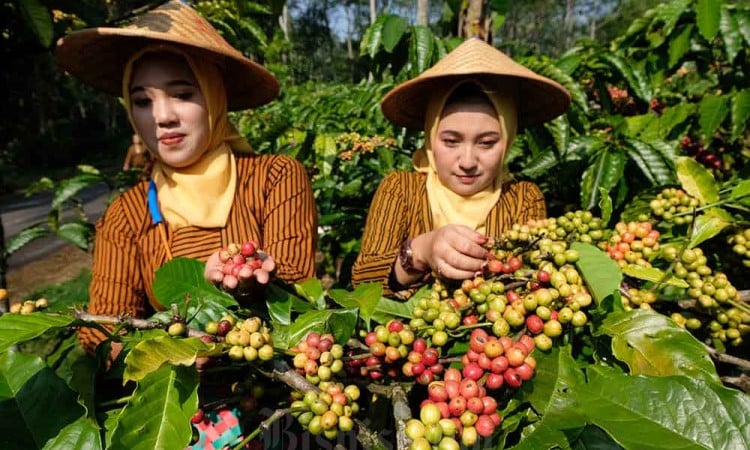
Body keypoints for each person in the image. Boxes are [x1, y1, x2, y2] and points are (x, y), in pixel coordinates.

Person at [54, 0, 317, 354]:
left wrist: (244, 286)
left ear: (214, 97)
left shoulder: (274, 179)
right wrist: (173, 355)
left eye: (182, 95)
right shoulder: (127, 216)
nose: (162, 117)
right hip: (178, 402)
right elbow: (101, 333)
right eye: (142, 101)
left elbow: (300, 294)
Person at [351, 38, 571, 297]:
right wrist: (421, 250)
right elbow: (363, 280)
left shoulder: (523, 198)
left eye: (487, 143)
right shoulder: (400, 189)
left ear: (508, 140)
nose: (467, 161)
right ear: (431, 137)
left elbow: (533, 282)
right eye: (451, 141)